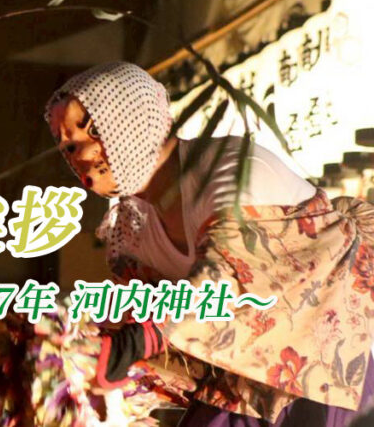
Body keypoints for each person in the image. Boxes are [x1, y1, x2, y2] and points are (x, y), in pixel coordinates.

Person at [45, 61, 374, 426]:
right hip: (243, 375)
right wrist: (69, 349)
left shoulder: (230, 168)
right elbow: (135, 307)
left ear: (130, 121)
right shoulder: (133, 225)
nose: (79, 155)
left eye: (91, 132)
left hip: (320, 363)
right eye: (67, 146)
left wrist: (140, 338)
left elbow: (227, 274)